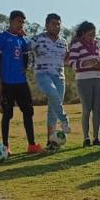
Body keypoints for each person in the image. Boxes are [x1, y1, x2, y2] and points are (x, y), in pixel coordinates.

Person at [0, 10, 45, 154]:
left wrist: (25, 67)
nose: (20, 24)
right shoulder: (2, 38)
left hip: (21, 82)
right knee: (7, 114)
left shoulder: (22, 39)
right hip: (7, 82)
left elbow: (26, 55)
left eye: (23, 22)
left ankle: (32, 145)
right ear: (10, 21)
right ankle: (5, 147)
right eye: (18, 21)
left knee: (28, 111)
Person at [30, 13, 71, 150]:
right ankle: (64, 120)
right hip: (43, 74)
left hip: (60, 77)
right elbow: (25, 48)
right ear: (47, 25)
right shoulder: (37, 39)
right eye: (53, 24)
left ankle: (51, 142)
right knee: (53, 95)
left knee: (53, 108)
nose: (56, 26)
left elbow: (66, 59)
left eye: (58, 24)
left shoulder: (63, 42)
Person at [67, 21, 100, 147]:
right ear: (83, 34)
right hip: (83, 80)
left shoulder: (98, 44)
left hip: (98, 78)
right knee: (87, 109)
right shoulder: (76, 45)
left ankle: (96, 138)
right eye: (90, 34)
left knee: (97, 109)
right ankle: (86, 138)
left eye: (94, 34)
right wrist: (86, 63)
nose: (92, 37)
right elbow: (72, 63)